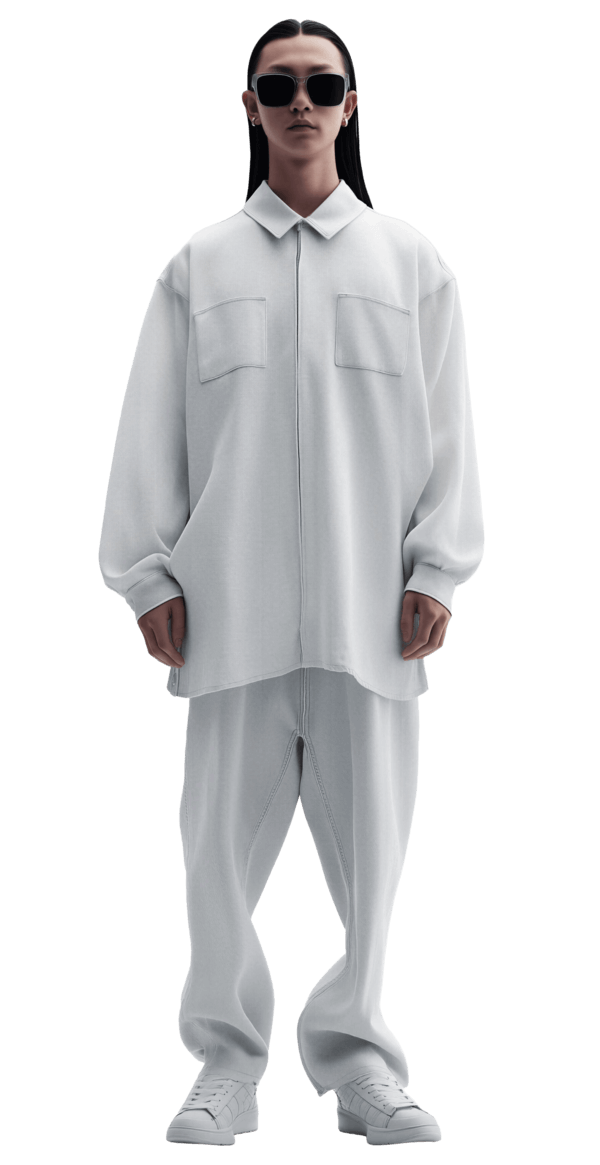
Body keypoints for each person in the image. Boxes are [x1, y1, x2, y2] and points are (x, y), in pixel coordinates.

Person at [98, 17, 484, 1147]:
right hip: (231, 610)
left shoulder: (410, 264)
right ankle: (226, 1064)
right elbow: (149, 431)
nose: (301, 102)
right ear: (252, 106)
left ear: (351, 104)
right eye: (280, 85)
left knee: (376, 854)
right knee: (214, 851)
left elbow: (449, 432)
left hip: (375, 613)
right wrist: (146, 575)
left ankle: (360, 1066)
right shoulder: (199, 267)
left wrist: (438, 564)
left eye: (322, 84)